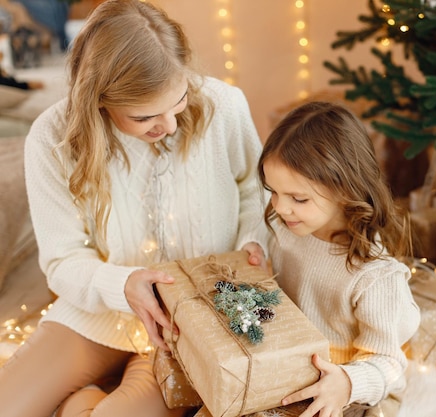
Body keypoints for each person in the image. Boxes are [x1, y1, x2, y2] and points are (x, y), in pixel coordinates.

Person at [0, 1, 268, 416]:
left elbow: (256, 191)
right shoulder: (51, 138)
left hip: (191, 325)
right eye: (145, 116)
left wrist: (253, 241)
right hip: (96, 314)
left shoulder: (225, 106)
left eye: (178, 102)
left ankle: (84, 402)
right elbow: (62, 259)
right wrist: (121, 285)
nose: (171, 126)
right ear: (100, 101)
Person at [258, 101, 421, 417]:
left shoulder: (374, 275)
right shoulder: (289, 229)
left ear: (345, 190)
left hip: (349, 392)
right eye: (273, 191)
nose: (280, 207)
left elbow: (389, 363)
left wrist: (348, 382)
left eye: (298, 198)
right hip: (289, 376)